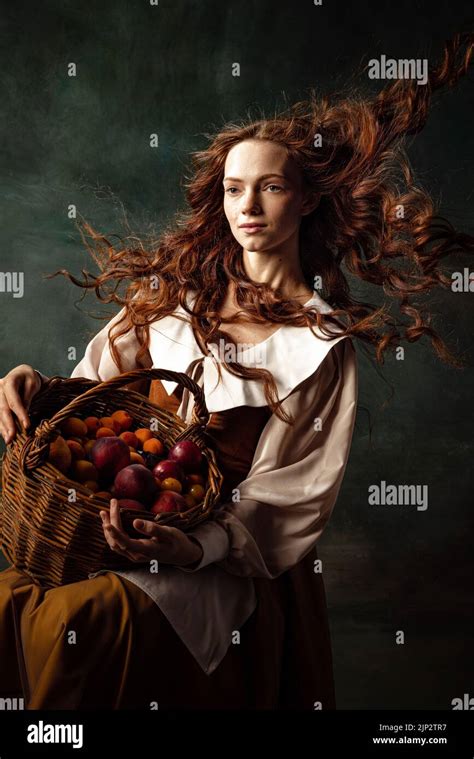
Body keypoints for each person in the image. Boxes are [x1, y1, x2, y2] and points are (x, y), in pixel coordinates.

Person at [0, 33, 472, 710]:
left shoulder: (318, 345)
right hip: (115, 520)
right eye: (233, 189)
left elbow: (286, 503)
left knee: (88, 621)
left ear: (305, 199)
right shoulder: (176, 294)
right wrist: (34, 384)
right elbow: (95, 389)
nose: (247, 206)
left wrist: (189, 545)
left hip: (226, 560)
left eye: (271, 187)